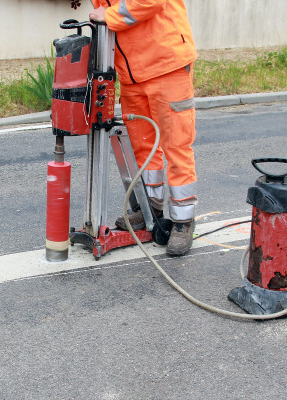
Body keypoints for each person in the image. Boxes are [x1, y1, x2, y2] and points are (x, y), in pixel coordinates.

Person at [89, 0, 198, 256]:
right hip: (131, 75)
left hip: (166, 65)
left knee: (176, 146)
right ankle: (151, 209)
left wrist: (111, 16)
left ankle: (183, 220)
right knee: (143, 148)